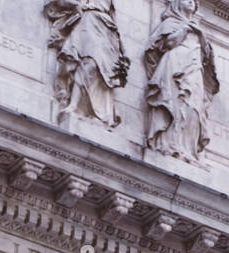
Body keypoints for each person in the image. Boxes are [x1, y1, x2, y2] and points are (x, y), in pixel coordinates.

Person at [144, 0, 219, 162]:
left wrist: (200, 35)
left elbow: (207, 58)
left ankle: (187, 149)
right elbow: (167, 43)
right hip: (175, 64)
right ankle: (168, 144)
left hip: (194, 70)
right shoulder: (171, 23)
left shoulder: (198, 30)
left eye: (194, 1)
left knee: (194, 107)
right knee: (174, 102)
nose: (192, 2)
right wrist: (185, 29)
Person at [44, 0, 129, 129]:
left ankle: (97, 112)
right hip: (88, 21)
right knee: (89, 62)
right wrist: (75, 5)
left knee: (100, 68)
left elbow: (113, 16)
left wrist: (122, 49)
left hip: (105, 26)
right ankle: (74, 104)